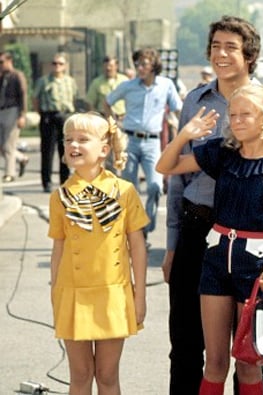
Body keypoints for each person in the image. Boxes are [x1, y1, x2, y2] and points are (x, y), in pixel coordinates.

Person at [163, 15, 263, 395]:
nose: (221, 54)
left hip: (252, 240)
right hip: (197, 227)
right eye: (216, 46)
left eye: (231, 47)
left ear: (250, 56)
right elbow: (175, 175)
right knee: (187, 341)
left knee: (250, 350)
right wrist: (173, 244)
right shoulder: (195, 100)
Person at [48, 112, 149, 394]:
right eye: (69, 139)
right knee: (80, 376)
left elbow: (137, 246)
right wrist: (55, 293)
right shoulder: (60, 196)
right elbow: (59, 247)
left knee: (107, 376)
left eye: (82, 139)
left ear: (104, 149)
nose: (73, 145)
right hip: (73, 294)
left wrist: (139, 295)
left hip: (113, 294)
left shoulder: (124, 191)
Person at [105, 47, 182, 243]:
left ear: (154, 65)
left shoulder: (165, 85)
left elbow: (178, 109)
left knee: (156, 186)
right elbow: (108, 101)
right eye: (137, 64)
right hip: (129, 140)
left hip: (152, 142)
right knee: (129, 188)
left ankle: (148, 224)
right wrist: (112, 122)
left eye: (144, 64)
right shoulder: (128, 86)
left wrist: (186, 131)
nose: (140, 67)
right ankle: (135, 229)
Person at [33, 52, 78, 193]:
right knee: (47, 151)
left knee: (65, 150)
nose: (57, 66)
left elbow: (74, 97)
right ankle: (46, 182)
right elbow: (35, 98)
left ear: (65, 66)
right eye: (54, 63)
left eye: (60, 63)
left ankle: (64, 181)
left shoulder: (70, 81)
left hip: (64, 116)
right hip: (49, 116)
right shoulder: (44, 81)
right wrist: (41, 112)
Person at [0, 51, 29, 183]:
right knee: (2, 145)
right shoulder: (2, 77)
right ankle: (21, 158)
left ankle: (9, 173)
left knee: (9, 144)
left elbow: (23, 95)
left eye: (1, 62)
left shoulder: (17, 76)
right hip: (2, 110)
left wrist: (22, 115)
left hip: (13, 110)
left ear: (9, 61)